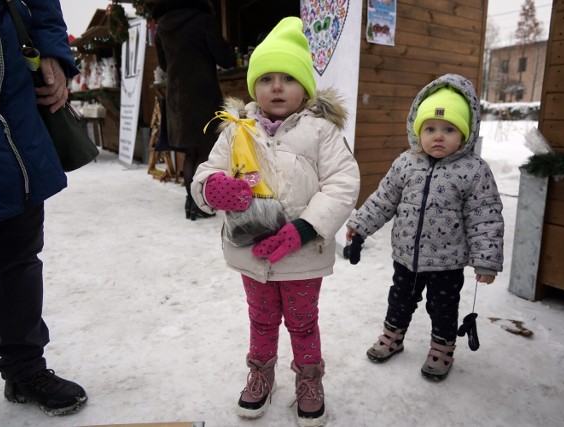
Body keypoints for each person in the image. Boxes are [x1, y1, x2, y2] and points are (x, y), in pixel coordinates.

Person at [191, 17, 360, 426]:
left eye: (288, 77)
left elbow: (343, 183)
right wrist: (212, 189)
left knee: (302, 323)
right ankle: (261, 374)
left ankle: (308, 379)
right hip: (251, 252)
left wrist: (305, 228)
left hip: (302, 255)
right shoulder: (236, 131)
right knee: (261, 319)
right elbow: (204, 174)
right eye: (266, 78)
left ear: (305, 87)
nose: (277, 87)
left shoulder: (322, 131)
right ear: (254, 88)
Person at [345, 73, 504, 382]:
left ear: (465, 134)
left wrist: (486, 260)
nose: (438, 136)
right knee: (400, 299)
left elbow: (485, 216)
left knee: (443, 309)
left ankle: (442, 349)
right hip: (406, 257)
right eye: (429, 129)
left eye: (448, 129)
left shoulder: (473, 171)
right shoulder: (406, 163)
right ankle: (393, 336)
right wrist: (360, 225)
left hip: (448, 263)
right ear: (417, 130)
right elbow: (383, 199)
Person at [0, 0, 88, 423]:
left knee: (18, 256)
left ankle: (24, 367)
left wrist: (52, 51)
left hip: (14, 111)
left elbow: (44, 5)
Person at [153, 0, 236, 220]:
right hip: (203, 94)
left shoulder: (162, 26)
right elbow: (226, 59)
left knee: (191, 153)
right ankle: (198, 203)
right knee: (204, 152)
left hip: (176, 96)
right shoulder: (203, 21)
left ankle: (191, 202)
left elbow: (163, 65)